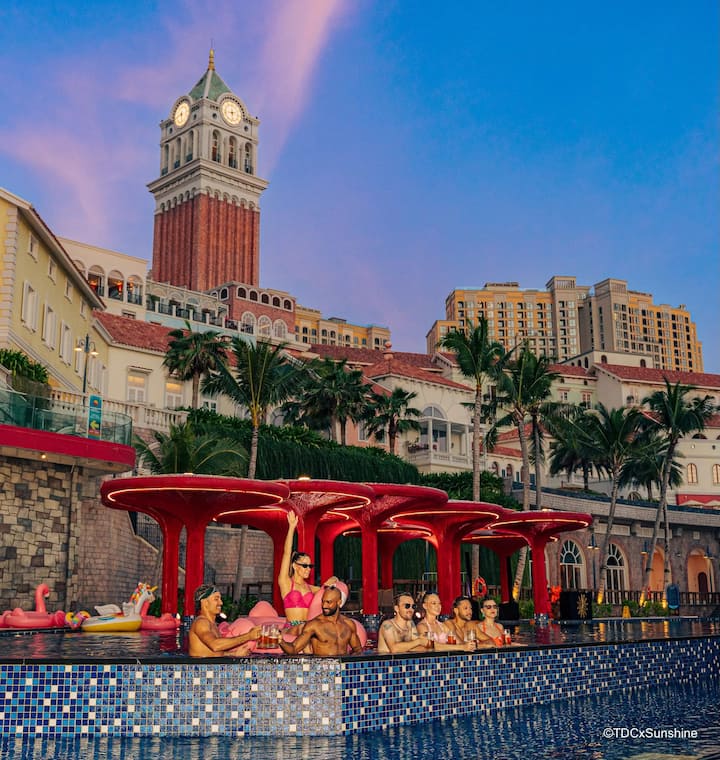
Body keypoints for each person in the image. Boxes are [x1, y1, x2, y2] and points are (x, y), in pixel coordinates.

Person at [278, 511, 337, 630]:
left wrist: (333, 580)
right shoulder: (286, 583)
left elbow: (329, 587)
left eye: (310, 566)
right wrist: (291, 528)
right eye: (305, 566)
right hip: (292, 627)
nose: (308, 569)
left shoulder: (310, 588)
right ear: (294, 566)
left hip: (307, 627)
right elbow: (286, 553)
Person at [278, 586, 362, 656]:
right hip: (323, 668)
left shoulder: (349, 624)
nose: (324, 605)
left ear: (339, 603)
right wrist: (281, 642)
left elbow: (358, 649)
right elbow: (294, 649)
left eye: (328, 602)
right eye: (323, 601)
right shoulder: (314, 625)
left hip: (343, 668)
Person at [188, 585, 261, 657]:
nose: (221, 603)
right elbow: (215, 645)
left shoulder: (212, 624)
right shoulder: (201, 622)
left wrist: (233, 654)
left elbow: (211, 653)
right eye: (216, 599)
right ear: (205, 603)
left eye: (220, 599)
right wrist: (248, 636)